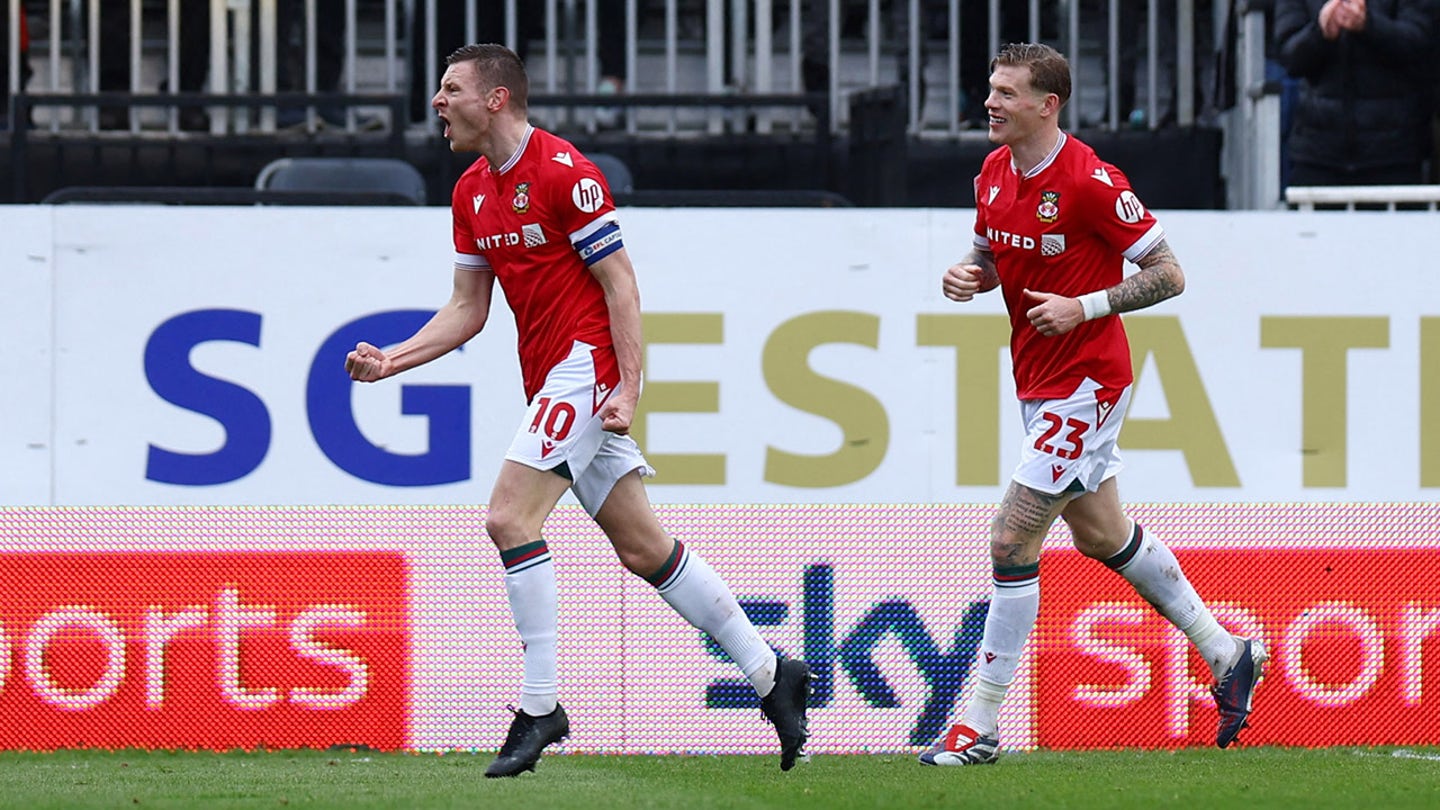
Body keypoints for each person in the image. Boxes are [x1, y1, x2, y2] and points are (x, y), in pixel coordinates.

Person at [346, 42, 812, 777]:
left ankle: (540, 707)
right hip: (553, 381)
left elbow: (620, 285)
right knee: (642, 547)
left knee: (508, 517)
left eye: (451, 88)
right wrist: (392, 360)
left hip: (585, 371)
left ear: (495, 98)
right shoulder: (471, 191)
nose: (437, 102)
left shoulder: (567, 174)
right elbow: (468, 309)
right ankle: (770, 672)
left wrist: (628, 386)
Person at [920, 42, 1266, 766]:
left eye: (1007, 93)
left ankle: (978, 726)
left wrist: (1087, 305)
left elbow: (1169, 273)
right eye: (991, 89)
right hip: (1035, 381)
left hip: (1088, 383)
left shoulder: (1091, 181)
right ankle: (1228, 651)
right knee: (1103, 535)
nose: (990, 102)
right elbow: (990, 255)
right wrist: (968, 276)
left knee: (1012, 540)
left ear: (1048, 106)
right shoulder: (991, 171)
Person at [1274, 0, 1440, 186]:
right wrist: (1320, 32)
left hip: (1394, 154)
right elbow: (1288, 56)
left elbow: (1420, 43)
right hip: (1317, 153)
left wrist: (1369, 25)